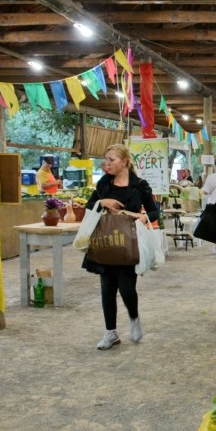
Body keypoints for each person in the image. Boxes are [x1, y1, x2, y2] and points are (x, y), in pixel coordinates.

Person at [83, 144, 160, 351]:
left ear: (125, 161)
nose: (107, 164)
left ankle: (134, 319)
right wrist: (103, 202)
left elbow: (155, 212)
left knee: (127, 288)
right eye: (106, 159)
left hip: (128, 244)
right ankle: (111, 332)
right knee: (107, 290)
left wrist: (143, 217)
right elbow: (89, 207)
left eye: (112, 160)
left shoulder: (140, 185)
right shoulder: (103, 185)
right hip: (105, 243)